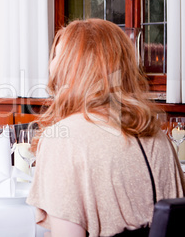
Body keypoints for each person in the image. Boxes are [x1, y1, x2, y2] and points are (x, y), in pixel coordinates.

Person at [26, 19, 185, 237]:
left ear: (72, 67)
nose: (51, 64)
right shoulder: (157, 135)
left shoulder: (62, 138)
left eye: (57, 55)